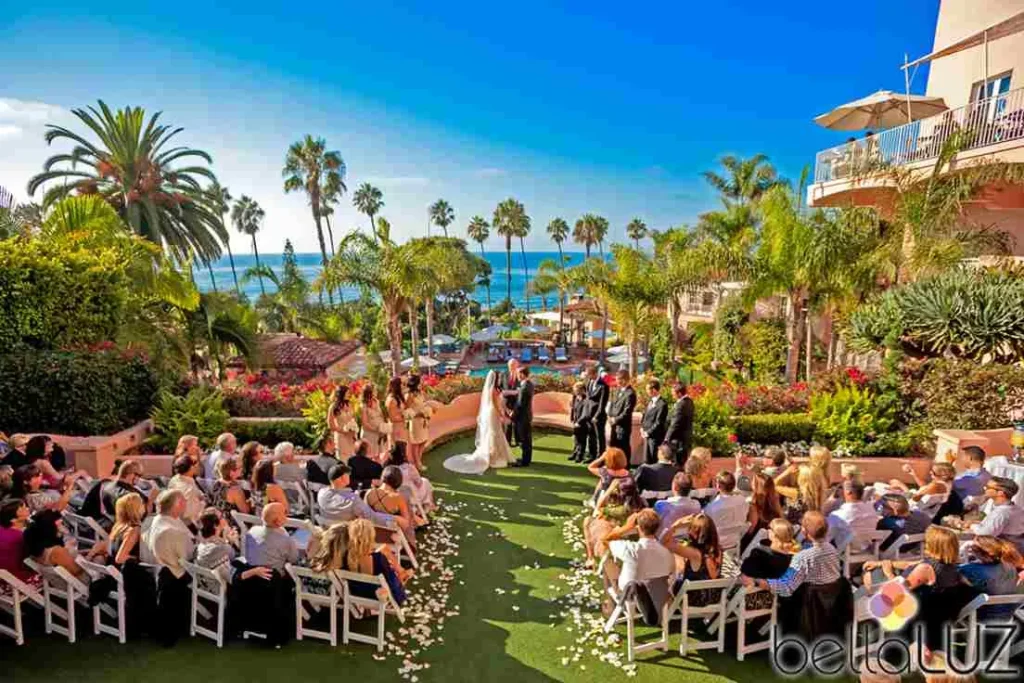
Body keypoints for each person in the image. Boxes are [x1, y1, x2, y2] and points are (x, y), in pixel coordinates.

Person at [144, 489, 194, 646]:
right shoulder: (172, 530)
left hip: (162, 567)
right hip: (176, 572)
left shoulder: (157, 520)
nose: (186, 503)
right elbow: (187, 556)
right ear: (176, 505)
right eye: (184, 501)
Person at [443, 369, 512, 474]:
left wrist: (503, 411)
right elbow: (495, 404)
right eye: (499, 377)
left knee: (495, 432)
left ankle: (496, 454)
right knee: (494, 433)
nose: (500, 379)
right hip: (493, 413)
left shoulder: (494, 389)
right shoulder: (492, 390)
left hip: (492, 412)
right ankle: (493, 456)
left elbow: (498, 402)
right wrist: (502, 415)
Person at [109, 493, 157, 638]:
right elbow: (120, 557)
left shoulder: (119, 526)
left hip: (117, 571)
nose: (143, 506)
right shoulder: (133, 529)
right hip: (127, 573)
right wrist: (137, 558)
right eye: (141, 504)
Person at [601, 508, 676, 593]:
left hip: (629, 597)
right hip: (655, 598)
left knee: (608, 563)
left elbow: (605, 541)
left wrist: (626, 527)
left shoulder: (631, 549)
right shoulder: (668, 554)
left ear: (638, 527)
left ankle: (610, 595)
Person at [343, 518, 409, 605]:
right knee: (399, 575)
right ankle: (403, 573)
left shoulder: (345, 556)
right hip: (377, 596)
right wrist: (400, 580)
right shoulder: (376, 559)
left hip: (356, 594)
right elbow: (394, 588)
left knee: (384, 550)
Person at [662, 513, 723, 607]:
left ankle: (666, 607)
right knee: (681, 562)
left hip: (696, 600)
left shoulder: (695, 554)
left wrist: (676, 525)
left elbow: (664, 542)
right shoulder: (717, 549)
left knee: (675, 568)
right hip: (714, 597)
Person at [23, 509, 102, 580]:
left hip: (61, 581)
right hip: (81, 580)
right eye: (60, 524)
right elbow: (76, 570)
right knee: (101, 557)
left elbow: (67, 558)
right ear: (50, 529)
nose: (63, 526)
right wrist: (90, 556)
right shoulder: (57, 551)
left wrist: (89, 551)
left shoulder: (37, 549)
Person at [959, 536, 1023, 620]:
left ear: (976, 552)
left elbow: (954, 573)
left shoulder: (970, 569)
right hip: (1006, 616)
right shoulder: (1011, 568)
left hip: (978, 617)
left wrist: (964, 553)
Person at [583, 478, 644, 565]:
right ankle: (591, 557)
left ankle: (598, 559)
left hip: (622, 532)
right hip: (621, 527)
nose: (614, 490)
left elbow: (599, 506)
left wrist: (610, 489)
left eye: (616, 489)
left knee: (595, 525)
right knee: (590, 521)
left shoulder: (624, 509)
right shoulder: (636, 500)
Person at [317, 463, 397, 527]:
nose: (349, 475)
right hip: (347, 534)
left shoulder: (321, 493)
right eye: (347, 474)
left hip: (329, 530)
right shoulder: (352, 499)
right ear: (340, 479)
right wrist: (393, 518)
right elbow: (373, 518)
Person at [962, 477, 1024, 549]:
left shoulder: (1001, 512)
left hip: (1004, 550)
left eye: (988, 487)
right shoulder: (1016, 509)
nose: (984, 489)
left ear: (1000, 493)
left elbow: (984, 534)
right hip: (1014, 548)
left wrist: (971, 525)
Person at [366, 465, 419, 547]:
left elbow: (366, 515)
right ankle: (411, 546)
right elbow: (406, 524)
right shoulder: (397, 497)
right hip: (390, 536)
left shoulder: (369, 492)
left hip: (372, 533)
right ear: (398, 480)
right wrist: (395, 518)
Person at [244, 503, 300, 573]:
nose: (287, 515)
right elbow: (294, 559)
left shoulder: (252, 530)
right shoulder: (285, 540)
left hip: (253, 571)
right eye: (284, 513)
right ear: (278, 522)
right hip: (274, 575)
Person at [829, 480, 881, 550]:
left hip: (844, 550)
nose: (840, 492)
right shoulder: (872, 510)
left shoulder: (838, 515)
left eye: (842, 489)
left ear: (848, 492)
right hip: (865, 549)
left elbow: (827, 537)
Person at [740, 471, 783, 553]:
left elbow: (751, 529)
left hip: (756, 544)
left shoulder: (753, 504)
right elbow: (781, 518)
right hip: (772, 541)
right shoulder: (775, 500)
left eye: (753, 481)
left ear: (756, 485)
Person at [704, 471, 750, 547]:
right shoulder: (743, 501)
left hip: (717, 544)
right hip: (736, 541)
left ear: (718, 486)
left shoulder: (711, 507)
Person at [0, 498, 38, 588]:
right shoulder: (21, 536)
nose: (27, 509)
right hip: (16, 580)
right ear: (13, 519)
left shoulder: (3, 529)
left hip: (4, 577)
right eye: (23, 509)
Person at [12, 463, 78, 513]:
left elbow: (56, 488)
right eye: (37, 475)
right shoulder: (32, 498)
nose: (41, 475)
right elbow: (57, 509)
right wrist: (69, 486)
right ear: (26, 481)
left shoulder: (38, 488)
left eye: (40, 473)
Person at [389, 441, 435, 511]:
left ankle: (416, 507)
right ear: (403, 454)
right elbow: (419, 482)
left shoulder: (390, 469)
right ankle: (429, 504)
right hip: (412, 496)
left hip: (400, 497)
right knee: (425, 481)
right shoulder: (409, 467)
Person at [654, 472, 701, 539]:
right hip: (688, 542)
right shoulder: (696, 504)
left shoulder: (661, 505)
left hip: (665, 542)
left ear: (675, 487)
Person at [167, 454, 207, 525]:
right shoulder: (189, 489)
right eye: (194, 464)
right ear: (191, 468)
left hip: (175, 518)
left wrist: (201, 495)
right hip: (187, 524)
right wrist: (203, 502)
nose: (196, 466)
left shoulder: (174, 479)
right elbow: (191, 513)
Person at [607, 370, 637, 462]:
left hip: (623, 427)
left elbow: (627, 412)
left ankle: (625, 467)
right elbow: (613, 404)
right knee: (614, 447)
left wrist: (615, 419)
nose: (616, 382)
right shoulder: (618, 390)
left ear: (624, 380)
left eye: (618, 380)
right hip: (614, 426)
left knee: (623, 449)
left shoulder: (630, 393)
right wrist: (610, 416)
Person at [405, 374, 433, 472]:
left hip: (422, 420)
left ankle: (418, 461)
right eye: (420, 381)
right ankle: (418, 464)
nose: (422, 382)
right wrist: (418, 414)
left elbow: (424, 403)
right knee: (416, 443)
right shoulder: (409, 395)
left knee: (424, 440)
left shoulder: (420, 392)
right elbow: (407, 410)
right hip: (415, 421)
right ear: (415, 383)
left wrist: (426, 412)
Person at [508, 365, 534, 467]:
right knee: (526, 439)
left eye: (518, 374)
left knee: (524, 440)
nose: (517, 376)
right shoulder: (529, 384)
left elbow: (520, 404)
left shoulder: (524, 387)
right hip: (527, 416)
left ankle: (524, 462)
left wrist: (512, 414)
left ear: (522, 374)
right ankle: (526, 459)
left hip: (523, 418)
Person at [665, 382, 694, 468]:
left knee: (677, 463)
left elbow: (675, 423)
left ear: (679, 393)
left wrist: (667, 438)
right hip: (686, 438)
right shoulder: (690, 401)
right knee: (683, 461)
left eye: (673, 393)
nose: (672, 395)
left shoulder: (681, 405)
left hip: (678, 440)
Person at [583, 365, 610, 461]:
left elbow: (602, 403)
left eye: (588, 374)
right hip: (589, 413)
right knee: (591, 435)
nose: (587, 376)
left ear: (594, 374)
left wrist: (596, 416)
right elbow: (588, 398)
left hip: (598, 416)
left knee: (599, 437)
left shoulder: (603, 385)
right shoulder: (589, 382)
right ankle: (592, 455)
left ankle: (600, 457)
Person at [640, 379, 668, 466]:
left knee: (654, 458)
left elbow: (659, 422)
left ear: (654, 390)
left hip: (656, 437)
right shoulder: (650, 401)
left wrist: (648, 432)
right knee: (647, 459)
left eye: (648, 389)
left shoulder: (662, 404)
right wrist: (642, 428)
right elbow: (645, 415)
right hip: (648, 436)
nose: (646, 391)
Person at [328, 385, 359, 460]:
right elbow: (330, 425)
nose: (349, 394)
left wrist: (354, 429)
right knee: (343, 459)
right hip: (341, 437)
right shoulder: (333, 407)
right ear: (342, 394)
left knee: (353, 458)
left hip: (351, 437)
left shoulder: (350, 405)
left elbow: (353, 419)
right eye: (347, 393)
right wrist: (343, 431)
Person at [360, 384, 388, 459]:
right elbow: (365, 424)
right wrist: (376, 430)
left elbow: (380, 415)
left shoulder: (376, 401)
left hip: (378, 433)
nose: (376, 391)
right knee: (369, 455)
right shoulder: (364, 406)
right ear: (370, 392)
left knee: (378, 455)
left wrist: (383, 427)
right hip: (369, 434)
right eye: (375, 390)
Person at [499, 359, 521, 447]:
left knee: (517, 424)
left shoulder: (521, 375)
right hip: (506, 403)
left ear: (517, 365)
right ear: (508, 366)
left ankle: (518, 441)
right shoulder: (503, 374)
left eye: (514, 365)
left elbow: (521, 390)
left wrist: (510, 392)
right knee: (507, 424)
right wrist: (507, 392)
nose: (512, 367)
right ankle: (507, 442)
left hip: (517, 403)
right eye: (511, 365)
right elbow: (500, 388)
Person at [568, 382, 591, 463]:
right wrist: (572, 419)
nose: (575, 392)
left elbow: (586, 413)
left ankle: (580, 455)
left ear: (581, 390)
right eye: (575, 390)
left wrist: (579, 422)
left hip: (583, 422)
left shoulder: (586, 399)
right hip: (576, 420)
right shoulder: (575, 397)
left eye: (577, 390)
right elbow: (573, 409)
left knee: (582, 439)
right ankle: (575, 453)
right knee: (576, 438)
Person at [385, 376, 409, 448]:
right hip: (396, 428)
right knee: (397, 449)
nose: (403, 385)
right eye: (402, 384)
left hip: (401, 427)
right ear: (397, 386)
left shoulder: (399, 397)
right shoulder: (391, 400)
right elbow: (392, 418)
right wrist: (405, 417)